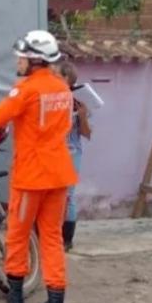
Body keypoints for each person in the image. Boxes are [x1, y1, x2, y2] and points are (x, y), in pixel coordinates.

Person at [0, 29, 77, 303]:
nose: (17, 61)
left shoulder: (25, 90)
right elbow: (64, 127)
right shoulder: (63, 90)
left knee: (18, 233)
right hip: (59, 174)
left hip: (31, 177)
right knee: (52, 237)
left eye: (21, 56)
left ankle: (15, 299)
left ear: (33, 60)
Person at [54, 60, 92, 252]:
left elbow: (87, 134)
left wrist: (83, 115)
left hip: (70, 153)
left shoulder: (78, 102)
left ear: (68, 80)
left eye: (58, 77)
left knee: (67, 196)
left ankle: (67, 239)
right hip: (52, 152)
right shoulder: (50, 100)